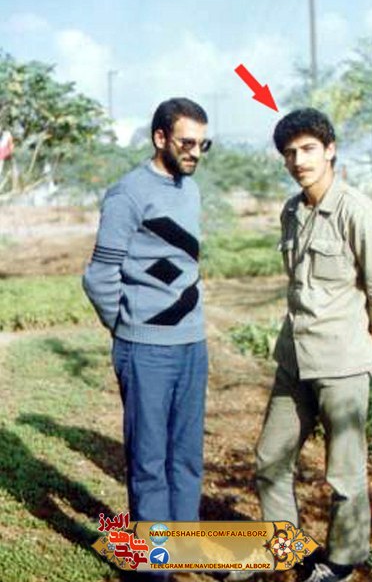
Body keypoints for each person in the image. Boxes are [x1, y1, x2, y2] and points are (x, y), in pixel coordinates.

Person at [255, 108, 372, 582]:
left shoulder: (355, 211)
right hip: (294, 359)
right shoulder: (291, 211)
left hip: (341, 362)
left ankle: (340, 562)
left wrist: (364, 342)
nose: (299, 160)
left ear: (330, 150)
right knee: (270, 460)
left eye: (308, 149)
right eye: (290, 153)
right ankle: (290, 552)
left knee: (344, 472)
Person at [83, 98, 211, 531]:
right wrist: (127, 328)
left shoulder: (190, 190)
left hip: (192, 344)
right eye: (186, 142)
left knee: (187, 458)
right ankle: (155, 561)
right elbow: (99, 276)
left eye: (202, 144)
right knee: (149, 462)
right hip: (145, 349)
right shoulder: (127, 194)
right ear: (160, 138)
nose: (195, 152)